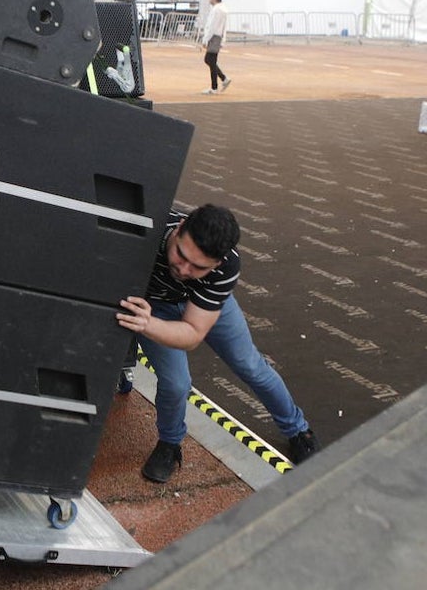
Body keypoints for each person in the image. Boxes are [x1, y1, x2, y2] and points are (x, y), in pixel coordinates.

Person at [117, 204, 319, 482]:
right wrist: (148, 320)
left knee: (251, 366)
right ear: (179, 229)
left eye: (199, 267)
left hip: (201, 309)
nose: (184, 269)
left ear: (218, 263)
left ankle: (298, 430)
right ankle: (170, 443)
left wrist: (147, 327)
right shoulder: (148, 230)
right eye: (181, 254)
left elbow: (192, 333)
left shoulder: (228, 264)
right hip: (153, 307)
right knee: (176, 384)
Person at [200, 0, 231, 95]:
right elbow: (224, 26)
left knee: (210, 60)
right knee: (210, 60)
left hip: (213, 36)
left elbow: (212, 26)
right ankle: (222, 80)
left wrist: (205, 39)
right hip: (218, 36)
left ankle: (216, 85)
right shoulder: (223, 10)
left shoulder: (216, 10)